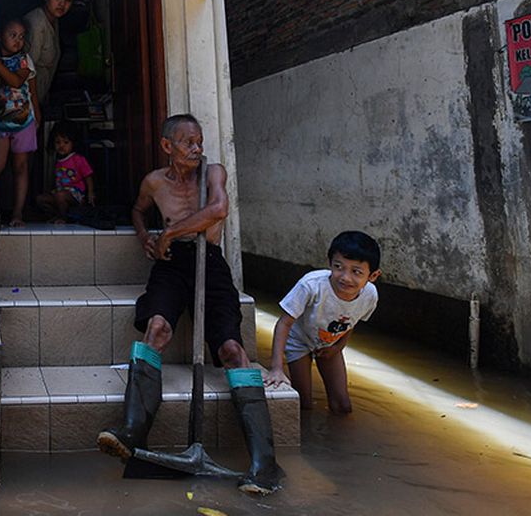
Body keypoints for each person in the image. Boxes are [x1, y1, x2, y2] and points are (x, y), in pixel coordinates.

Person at [97, 114, 282, 495]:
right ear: (168, 146)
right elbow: (137, 209)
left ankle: (265, 464)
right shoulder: (153, 181)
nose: (197, 148)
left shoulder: (213, 172)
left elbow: (217, 210)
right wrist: (147, 235)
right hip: (170, 265)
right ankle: (132, 432)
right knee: (158, 329)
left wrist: (171, 232)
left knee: (232, 349)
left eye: (199, 141)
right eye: (187, 143)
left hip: (209, 263)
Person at [263, 231, 381, 414]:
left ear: (372, 276)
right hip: (299, 341)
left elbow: (352, 322)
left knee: (342, 406)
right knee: (304, 404)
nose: (345, 277)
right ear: (329, 264)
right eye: (338, 266)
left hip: (330, 343)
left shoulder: (370, 295)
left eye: (356, 272)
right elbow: (284, 323)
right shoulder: (311, 285)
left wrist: (338, 347)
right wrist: (276, 368)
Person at [0, 17, 37, 227]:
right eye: (13, 35)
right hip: (0, 124)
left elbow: (19, 82)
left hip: (23, 121)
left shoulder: (24, 60)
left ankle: (18, 213)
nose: (18, 41)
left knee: (21, 167)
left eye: (21, 36)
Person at [22, 0, 75, 113]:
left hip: (40, 96)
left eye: (68, 0)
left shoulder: (54, 20)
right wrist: (34, 108)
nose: (62, 4)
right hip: (27, 103)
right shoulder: (37, 23)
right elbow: (28, 70)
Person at [35, 121, 95, 222]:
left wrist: (90, 193)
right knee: (40, 199)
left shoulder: (78, 159)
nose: (61, 146)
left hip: (76, 194)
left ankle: (63, 218)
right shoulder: (58, 161)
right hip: (60, 193)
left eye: (66, 142)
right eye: (58, 142)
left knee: (60, 196)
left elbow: (88, 176)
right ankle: (57, 215)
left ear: (73, 143)